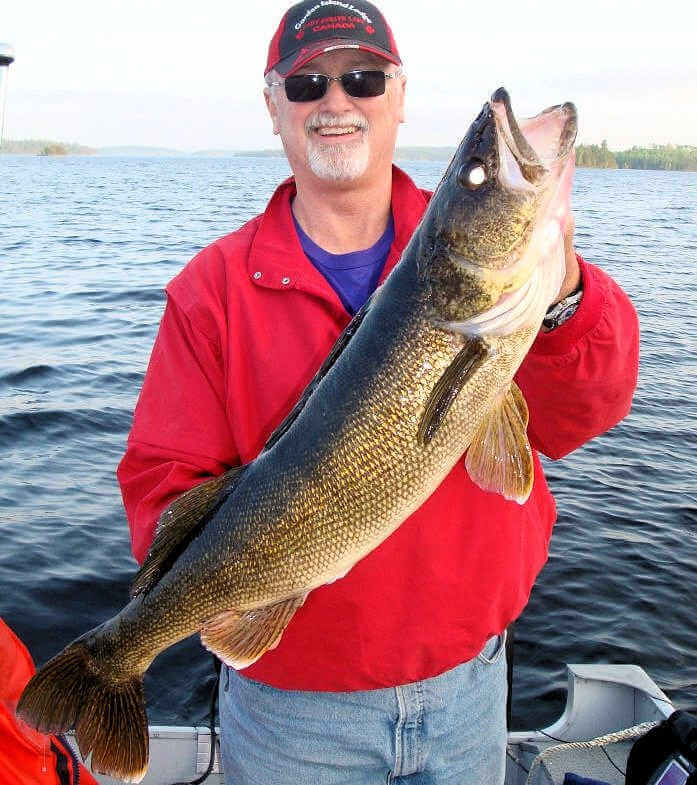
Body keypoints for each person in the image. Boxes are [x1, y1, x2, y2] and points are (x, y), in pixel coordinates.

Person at [117, 2, 640, 783]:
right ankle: (109, 664)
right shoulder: (211, 292)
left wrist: (561, 291)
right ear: (273, 107)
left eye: (362, 79)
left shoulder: (500, 290)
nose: (335, 100)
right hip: (292, 718)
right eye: (307, 84)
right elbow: (164, 484)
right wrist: (219, 587)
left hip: (470, 690)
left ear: (397, 99)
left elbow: (581, 413)